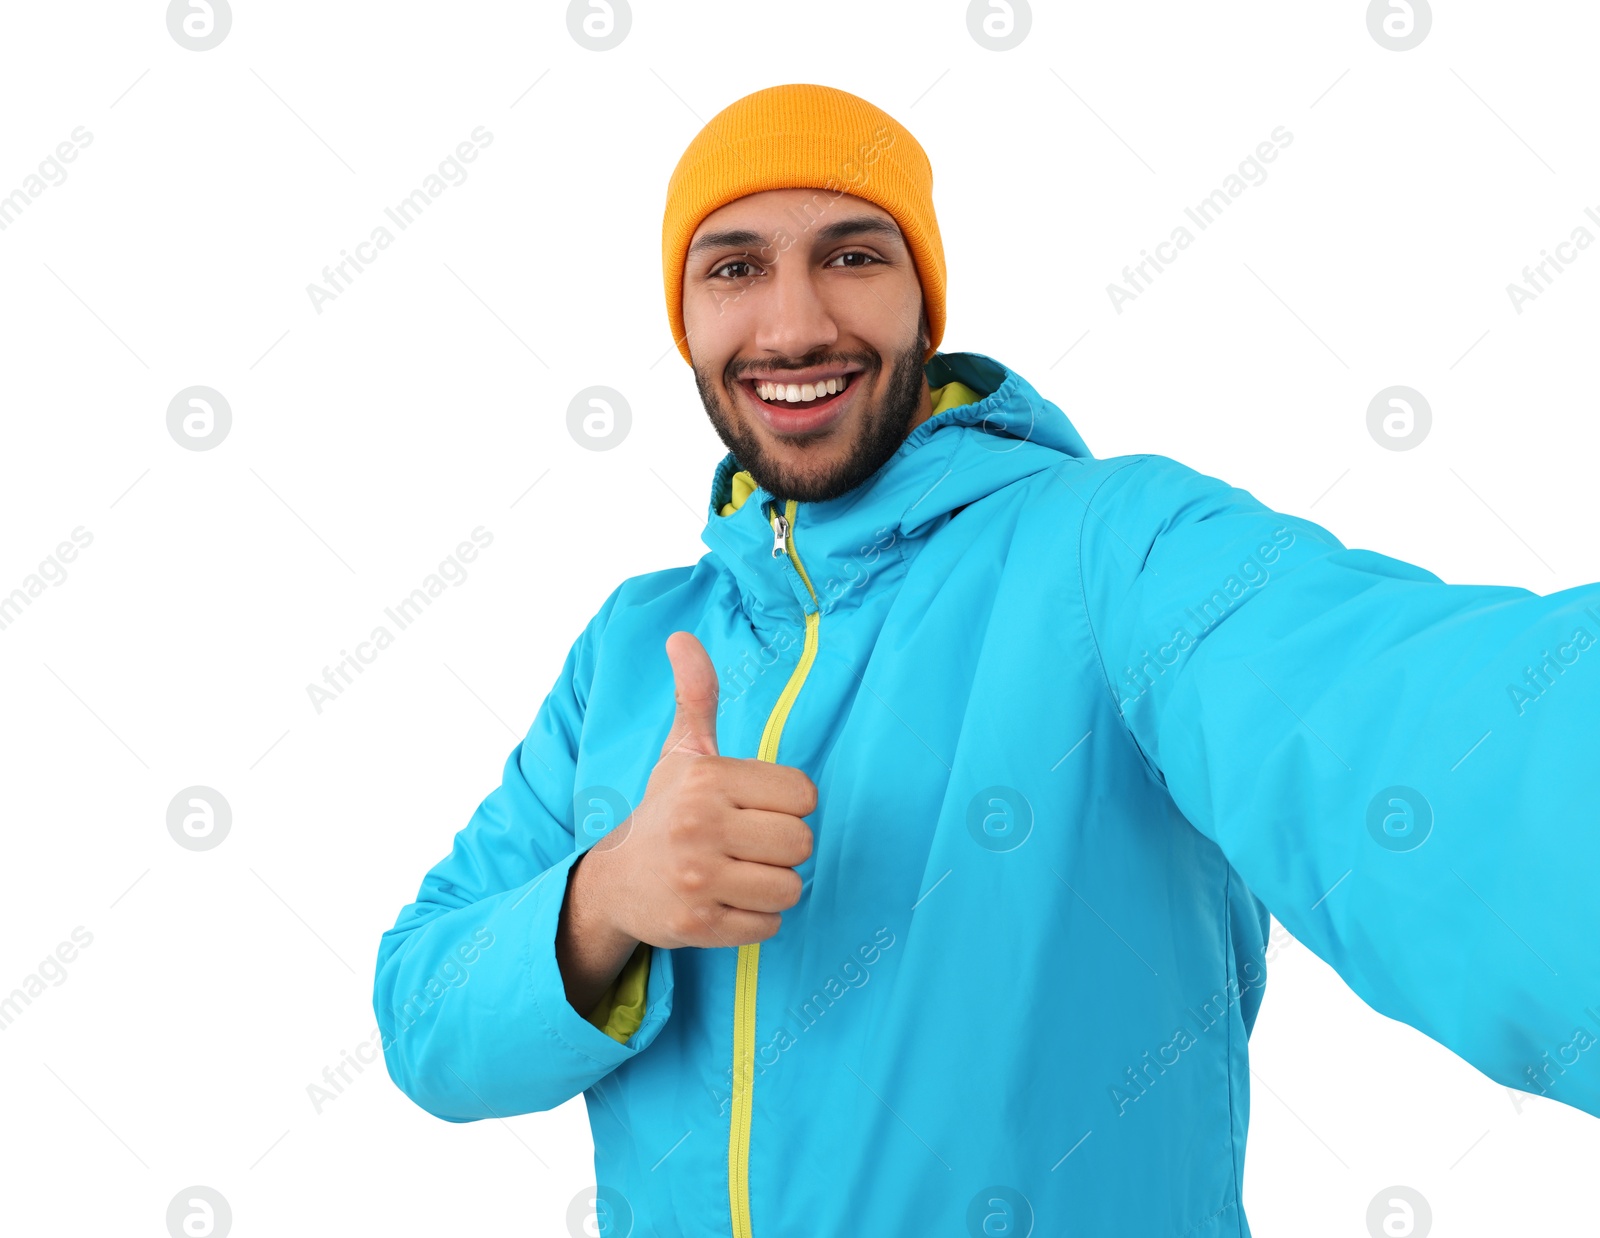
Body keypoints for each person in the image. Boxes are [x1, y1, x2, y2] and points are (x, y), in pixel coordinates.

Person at [372, 82, 1600, 1237]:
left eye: (853, 254)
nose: (794, 322)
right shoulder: (633, 647)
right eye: (734, 267)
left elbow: (1410, 726)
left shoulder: (1115, 552)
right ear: (682, 319)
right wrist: (605, 901)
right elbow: (423, 1013)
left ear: (925, 302)